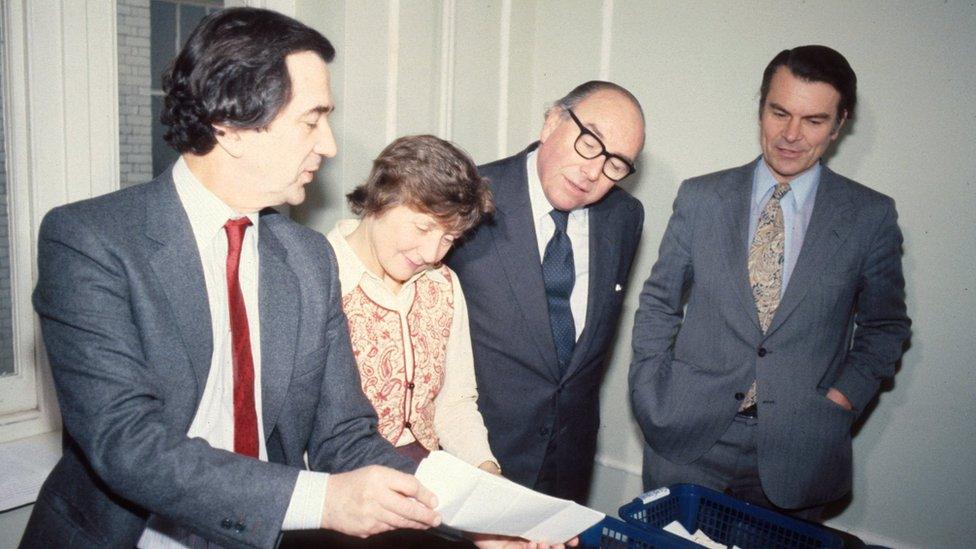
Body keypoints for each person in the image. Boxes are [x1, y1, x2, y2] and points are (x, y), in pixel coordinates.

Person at [21, 9, 440, 548]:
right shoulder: (89, 240)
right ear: (231, 126)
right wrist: (324, 500)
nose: (330, 145)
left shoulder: (309, 258)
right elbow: (128, 444)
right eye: (311, 121)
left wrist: (471, 512)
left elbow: (345, 438)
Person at [629, 45, 911, 519]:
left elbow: (886, 327)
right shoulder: (702, 198)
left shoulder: (869, 217)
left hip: (800, 452)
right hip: (688, 441)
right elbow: (659, 301)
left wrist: (841, 400)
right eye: (779, 112)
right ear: (761, 106)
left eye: (814, 120)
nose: (791, 135)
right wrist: (650, 388)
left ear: (840, 124)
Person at [446, 81, 646, 503]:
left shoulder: (624, 217)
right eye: (590, 142)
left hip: (566, 470)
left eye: (617, 164)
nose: (594, 171)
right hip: (474, 461)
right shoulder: (468, 198)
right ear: (553, 121)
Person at [327, 135, 499, 473]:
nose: (433, 253)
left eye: (449, 238)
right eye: (424, 227)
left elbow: (455, 403)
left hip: (425, 473)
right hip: (342, 485)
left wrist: (487, 473)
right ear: (381, 198)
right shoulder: (321, 276)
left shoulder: (444, 285)